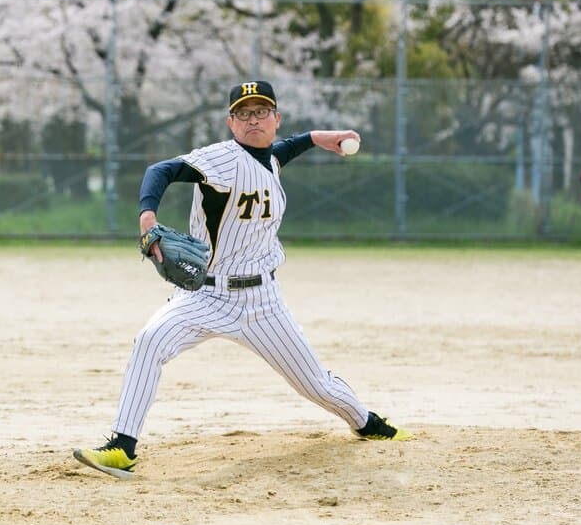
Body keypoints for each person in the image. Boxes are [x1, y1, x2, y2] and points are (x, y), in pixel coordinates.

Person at [73, 80, 412, 479]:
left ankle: (366, 422)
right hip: (206, 295)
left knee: (315, 384)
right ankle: (122, 447)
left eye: (262, 112)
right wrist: (148, 215)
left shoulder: (268, 157)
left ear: (276, 118)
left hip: (263, 301)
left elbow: (280, 151)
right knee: (150, 341)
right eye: (244, 114)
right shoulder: (221, 158)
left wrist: (320, 138)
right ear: (231, 123)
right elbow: (160, 170)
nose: (254, 120)